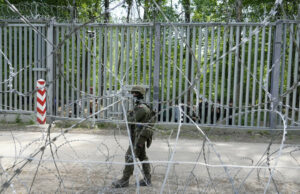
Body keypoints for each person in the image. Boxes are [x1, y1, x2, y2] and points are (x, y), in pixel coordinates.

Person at [112, 85, 153, 188]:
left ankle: (125, 180)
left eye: (135, 93)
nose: (133, 95)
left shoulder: (142, 108)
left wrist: (127, 114)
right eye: (133, 93)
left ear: (140, 94)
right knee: (142, 157)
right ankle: (147, 179)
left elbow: (131, 119)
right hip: (138, 136)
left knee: (129, 156)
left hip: (139, 137)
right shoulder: (139, 106)